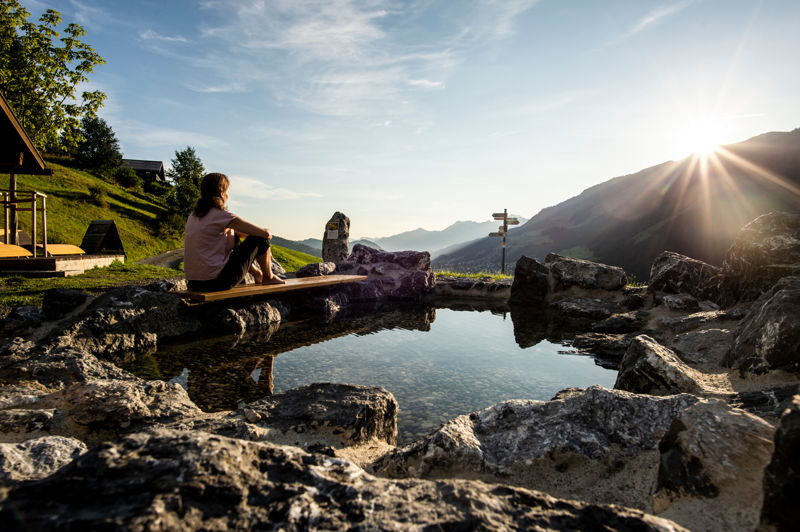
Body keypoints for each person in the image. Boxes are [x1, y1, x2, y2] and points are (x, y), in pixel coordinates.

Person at [184, 172, 286, 292]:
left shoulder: (194, 215)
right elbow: (265, 235)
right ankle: (269, 277)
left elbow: (241, 234)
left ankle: (257, 274)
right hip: (217, 282)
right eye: (227, 191)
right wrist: (267, 230)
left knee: (235, 237)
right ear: (222, 193)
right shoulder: (221, 216)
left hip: (194, 283)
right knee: (261, 239)